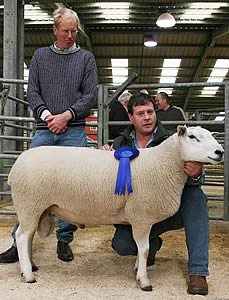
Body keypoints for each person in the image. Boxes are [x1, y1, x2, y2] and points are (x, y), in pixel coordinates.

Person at [0, 7, 97, 264]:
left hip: (73, 129)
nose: (70, 35)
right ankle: (19, 241)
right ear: (54, 30)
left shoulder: (86, 59)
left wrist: (66, 115)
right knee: (31, 185)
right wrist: (48, 117)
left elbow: (90, 96)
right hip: (45, 129)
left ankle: (64, 240)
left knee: (74, 185)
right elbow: (33, 92)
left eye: (74, 31)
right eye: (65, 31)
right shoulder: (41, 57)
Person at [101, 93, 209, 296]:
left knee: (197, 198)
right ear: (131, 118)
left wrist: (196, 173)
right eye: (140, 113)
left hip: (167, 209)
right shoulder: (120, 143)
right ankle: (151, 243)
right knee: (122, 245)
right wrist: (104, 158)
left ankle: (198, 271)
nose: (147, 117)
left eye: (150, 112)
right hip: (135, 214)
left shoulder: (173, 140)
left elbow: (197, 176)